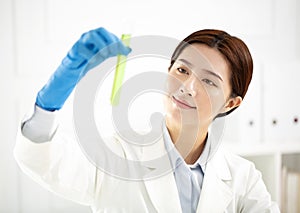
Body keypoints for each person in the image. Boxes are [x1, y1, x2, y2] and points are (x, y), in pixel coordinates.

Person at [14, 27, 280, 212]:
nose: (187, 86)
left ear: (230, 103)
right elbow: (44, 161)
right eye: (182, 69)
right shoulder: (114, 157)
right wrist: (49, 101)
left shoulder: (243, 178)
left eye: (209, 81)